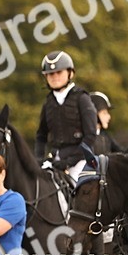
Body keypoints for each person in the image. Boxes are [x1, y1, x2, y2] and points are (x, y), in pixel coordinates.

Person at [34, 51, 98, 182]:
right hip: (55, 159)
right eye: (50, 74)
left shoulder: (82, 98)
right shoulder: (48, 103)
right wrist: (39, 159)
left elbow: (90, 135)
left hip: (80, 159)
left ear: (70, 73)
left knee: (80, 188)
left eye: (59, 72)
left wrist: (70, 161)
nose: (54, 77)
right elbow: (41, 135)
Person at [89, 92, 128, 156]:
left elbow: (123, 157)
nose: (109, 117)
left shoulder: (106, 137)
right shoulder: (81, 138)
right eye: (104, 113)